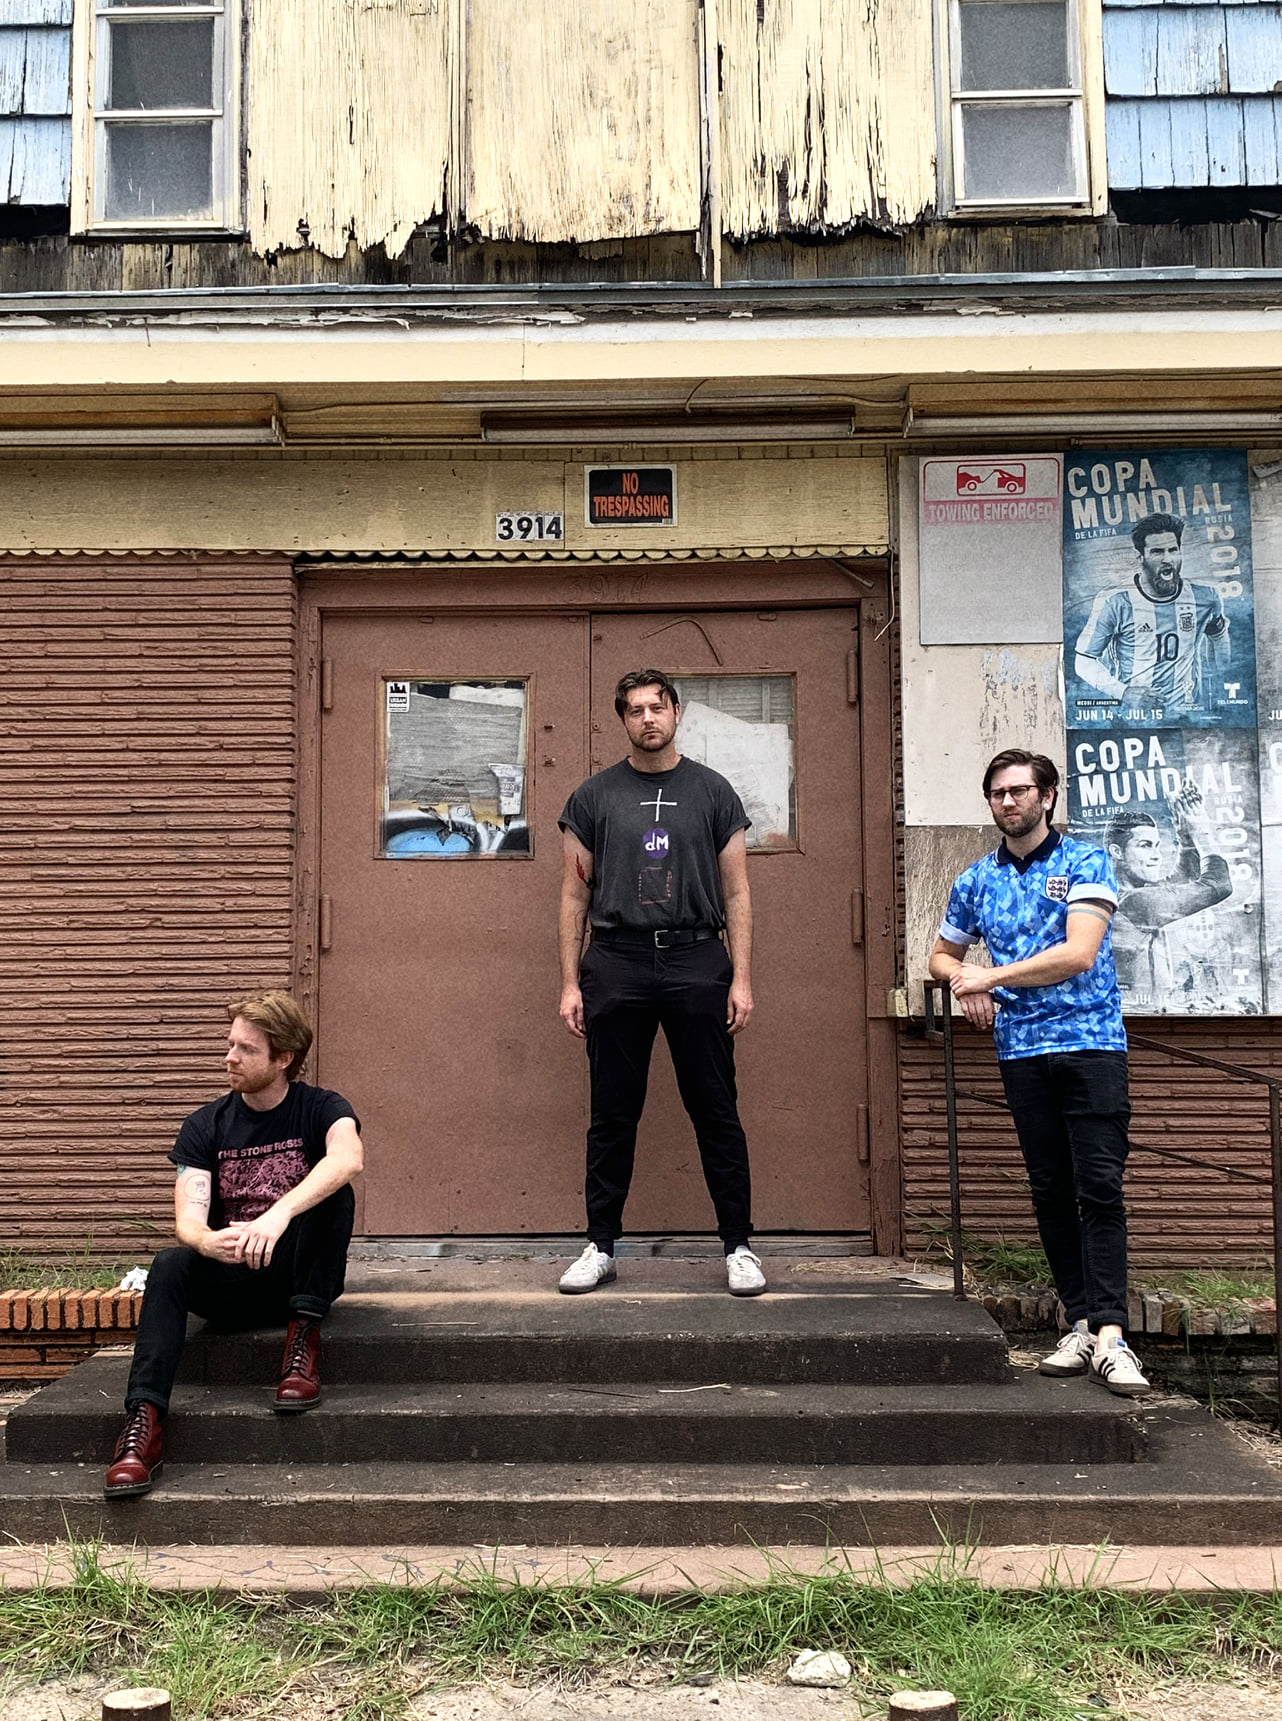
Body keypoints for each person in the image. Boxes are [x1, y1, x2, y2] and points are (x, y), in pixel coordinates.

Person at [929, 748, 1149, 1396]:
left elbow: (1078, 953)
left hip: (1090, 1045)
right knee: (1050, 1187)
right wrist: (964, 982)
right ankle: (1079, 1322)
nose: (1008, 801)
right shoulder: (976, 879)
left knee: (1099, 1186)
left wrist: (989, 976)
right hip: (1021, 1051)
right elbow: (941, 954)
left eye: (1020, 790)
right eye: (998, 792)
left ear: (1047, 796)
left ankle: (1112, 1336)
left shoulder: (1085, 862)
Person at [556, 668, 765, 1297]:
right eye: (635, 710)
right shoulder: (593, 797)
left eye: (657, 707)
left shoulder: (713, 792)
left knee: (715, 1109)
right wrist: (570, 983)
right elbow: (573, 896)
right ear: (622, 719)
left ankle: (739, 1247)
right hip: (616, 960)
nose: (647, 718)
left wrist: (741, 978)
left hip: (696, 958)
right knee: (612, 1113)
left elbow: (737, 892)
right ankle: (600, 1246)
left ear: (677, 713)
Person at [104, 991, 363, 1497]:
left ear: (283, 1058)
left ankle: (301, 1347)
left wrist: (278, 1214)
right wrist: (208, 1241)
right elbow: (188, 1221)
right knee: (170, 1263)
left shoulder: (321, 1108)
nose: (230, 1057)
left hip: (295, 1274)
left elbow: (347, 1158)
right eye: (229, 1045)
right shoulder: (205, 1125)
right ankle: (142, 1425)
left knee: (334, 1194)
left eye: (246, 1049)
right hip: (232, 1277)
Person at [1074, 512, 1230, 716]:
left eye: (1173, 550)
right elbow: (1083, 661)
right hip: (1135, 719)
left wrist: (1221, 678)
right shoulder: (1115, 601)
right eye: (1157, 552)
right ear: (1141, 557)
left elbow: (1218, 637)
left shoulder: (1206, 597)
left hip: (1189, 716)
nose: (1167, 559)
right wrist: (1124, 692)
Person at [1105, 785, 1232, 1008]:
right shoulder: (1134, 902)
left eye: (1157, 846)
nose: (1157, 856)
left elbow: (1179, 883)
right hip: (1138, 1020)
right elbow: (1219, 885)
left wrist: (1185, 835)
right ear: (1117, 852)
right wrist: (1202, 831)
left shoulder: (1125, 895)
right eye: (1145, 846)